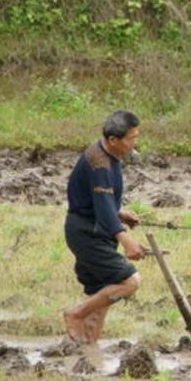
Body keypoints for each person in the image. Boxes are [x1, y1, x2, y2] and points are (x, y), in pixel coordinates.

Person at [63, 110, 145, 344]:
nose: (134, 143)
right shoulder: (99, 164)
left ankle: (87, 352)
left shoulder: (107, 155)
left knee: (101, 295)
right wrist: (126, 240)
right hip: (87, 233)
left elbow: (99, 202)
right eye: (131, 138)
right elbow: (102, 208)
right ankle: (76, 313)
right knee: (129, 282)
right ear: (113, 140)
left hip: (92, 227)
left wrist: (119, 212)